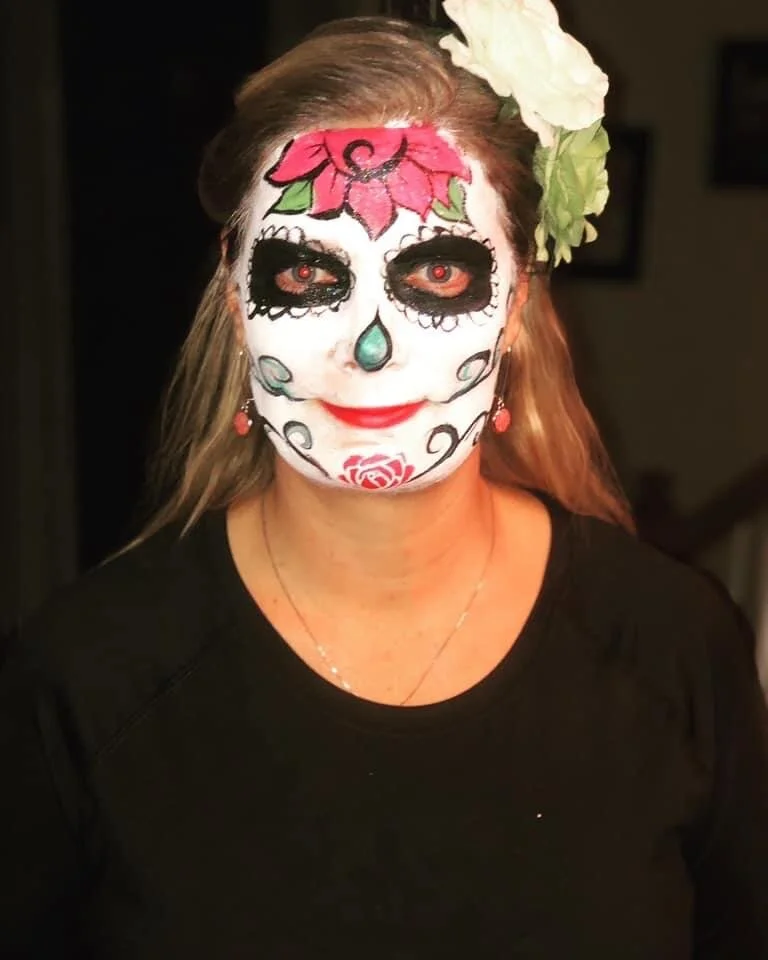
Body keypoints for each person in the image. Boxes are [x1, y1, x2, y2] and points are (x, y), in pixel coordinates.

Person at [2, 4, 767, 957]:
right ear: (238, 302)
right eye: (307, 278)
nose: (369, 346)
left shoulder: (675, 650)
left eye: (436, 277)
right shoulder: (87, 677)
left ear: (517, 306)